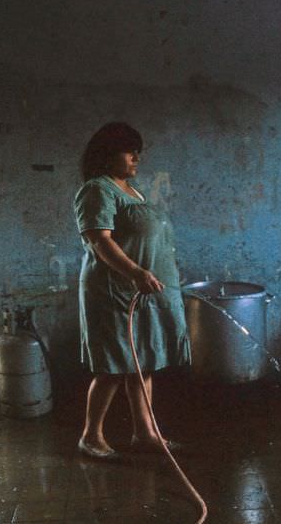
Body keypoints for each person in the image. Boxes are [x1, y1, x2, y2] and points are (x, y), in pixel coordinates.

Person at [73, 122, 191, 459]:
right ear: (107, 154)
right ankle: (91, 437)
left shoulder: (131, 189)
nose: (136, 157)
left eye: (138, 150)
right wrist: (137, 272)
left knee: (142, 362)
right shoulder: (98, 189)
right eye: (128, 151)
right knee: (113, 366)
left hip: (141, 294)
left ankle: (145, 433)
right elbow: (100, 241)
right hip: (115, 291)